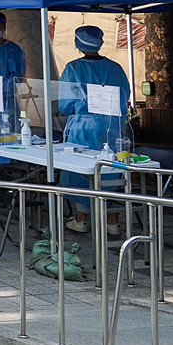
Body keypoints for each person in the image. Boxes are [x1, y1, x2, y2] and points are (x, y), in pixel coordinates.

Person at [59, 25, 130, 235]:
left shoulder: (73, 69)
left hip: (84, 128)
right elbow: (124, 97)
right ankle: (113, 223)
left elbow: (65, 104)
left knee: (82, 172)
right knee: (112, 171)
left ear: (78, 44)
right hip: (112, 127)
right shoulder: (115, 68)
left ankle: (81, 220)